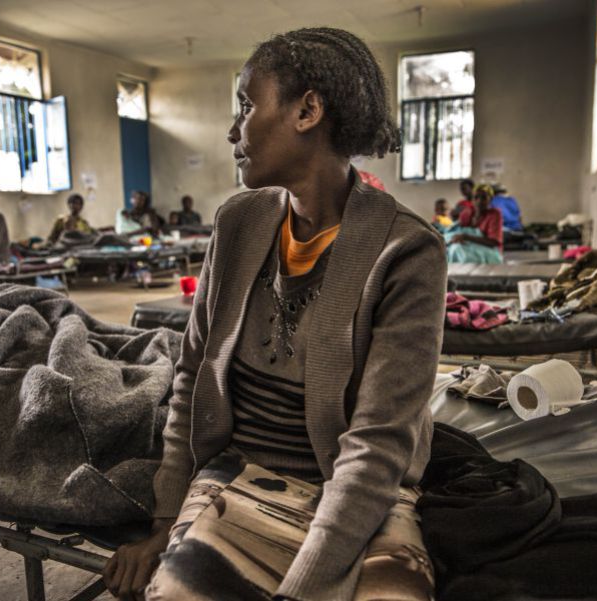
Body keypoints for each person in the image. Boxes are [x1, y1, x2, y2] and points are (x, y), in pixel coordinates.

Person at [103, 27, 445, 601]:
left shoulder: (407, 251)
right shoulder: (237, 223)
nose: (234, 130)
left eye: (246, 105)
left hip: (353, 491)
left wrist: (306, 585)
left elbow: (378, 444)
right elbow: (190, 377)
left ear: (308, 110)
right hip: (238, 473)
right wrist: (165, 525)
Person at [446, 184, 504, 264]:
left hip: (489, 250)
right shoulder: (467, 213)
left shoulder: (494, 214)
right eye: (476, 197)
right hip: (468, 246)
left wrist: (466, 237)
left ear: (490, 199)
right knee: (453, 249)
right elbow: (458, 231)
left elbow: (493, 242)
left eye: (484, 197)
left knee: (461, 253)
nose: (479, 201)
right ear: (472, 200)